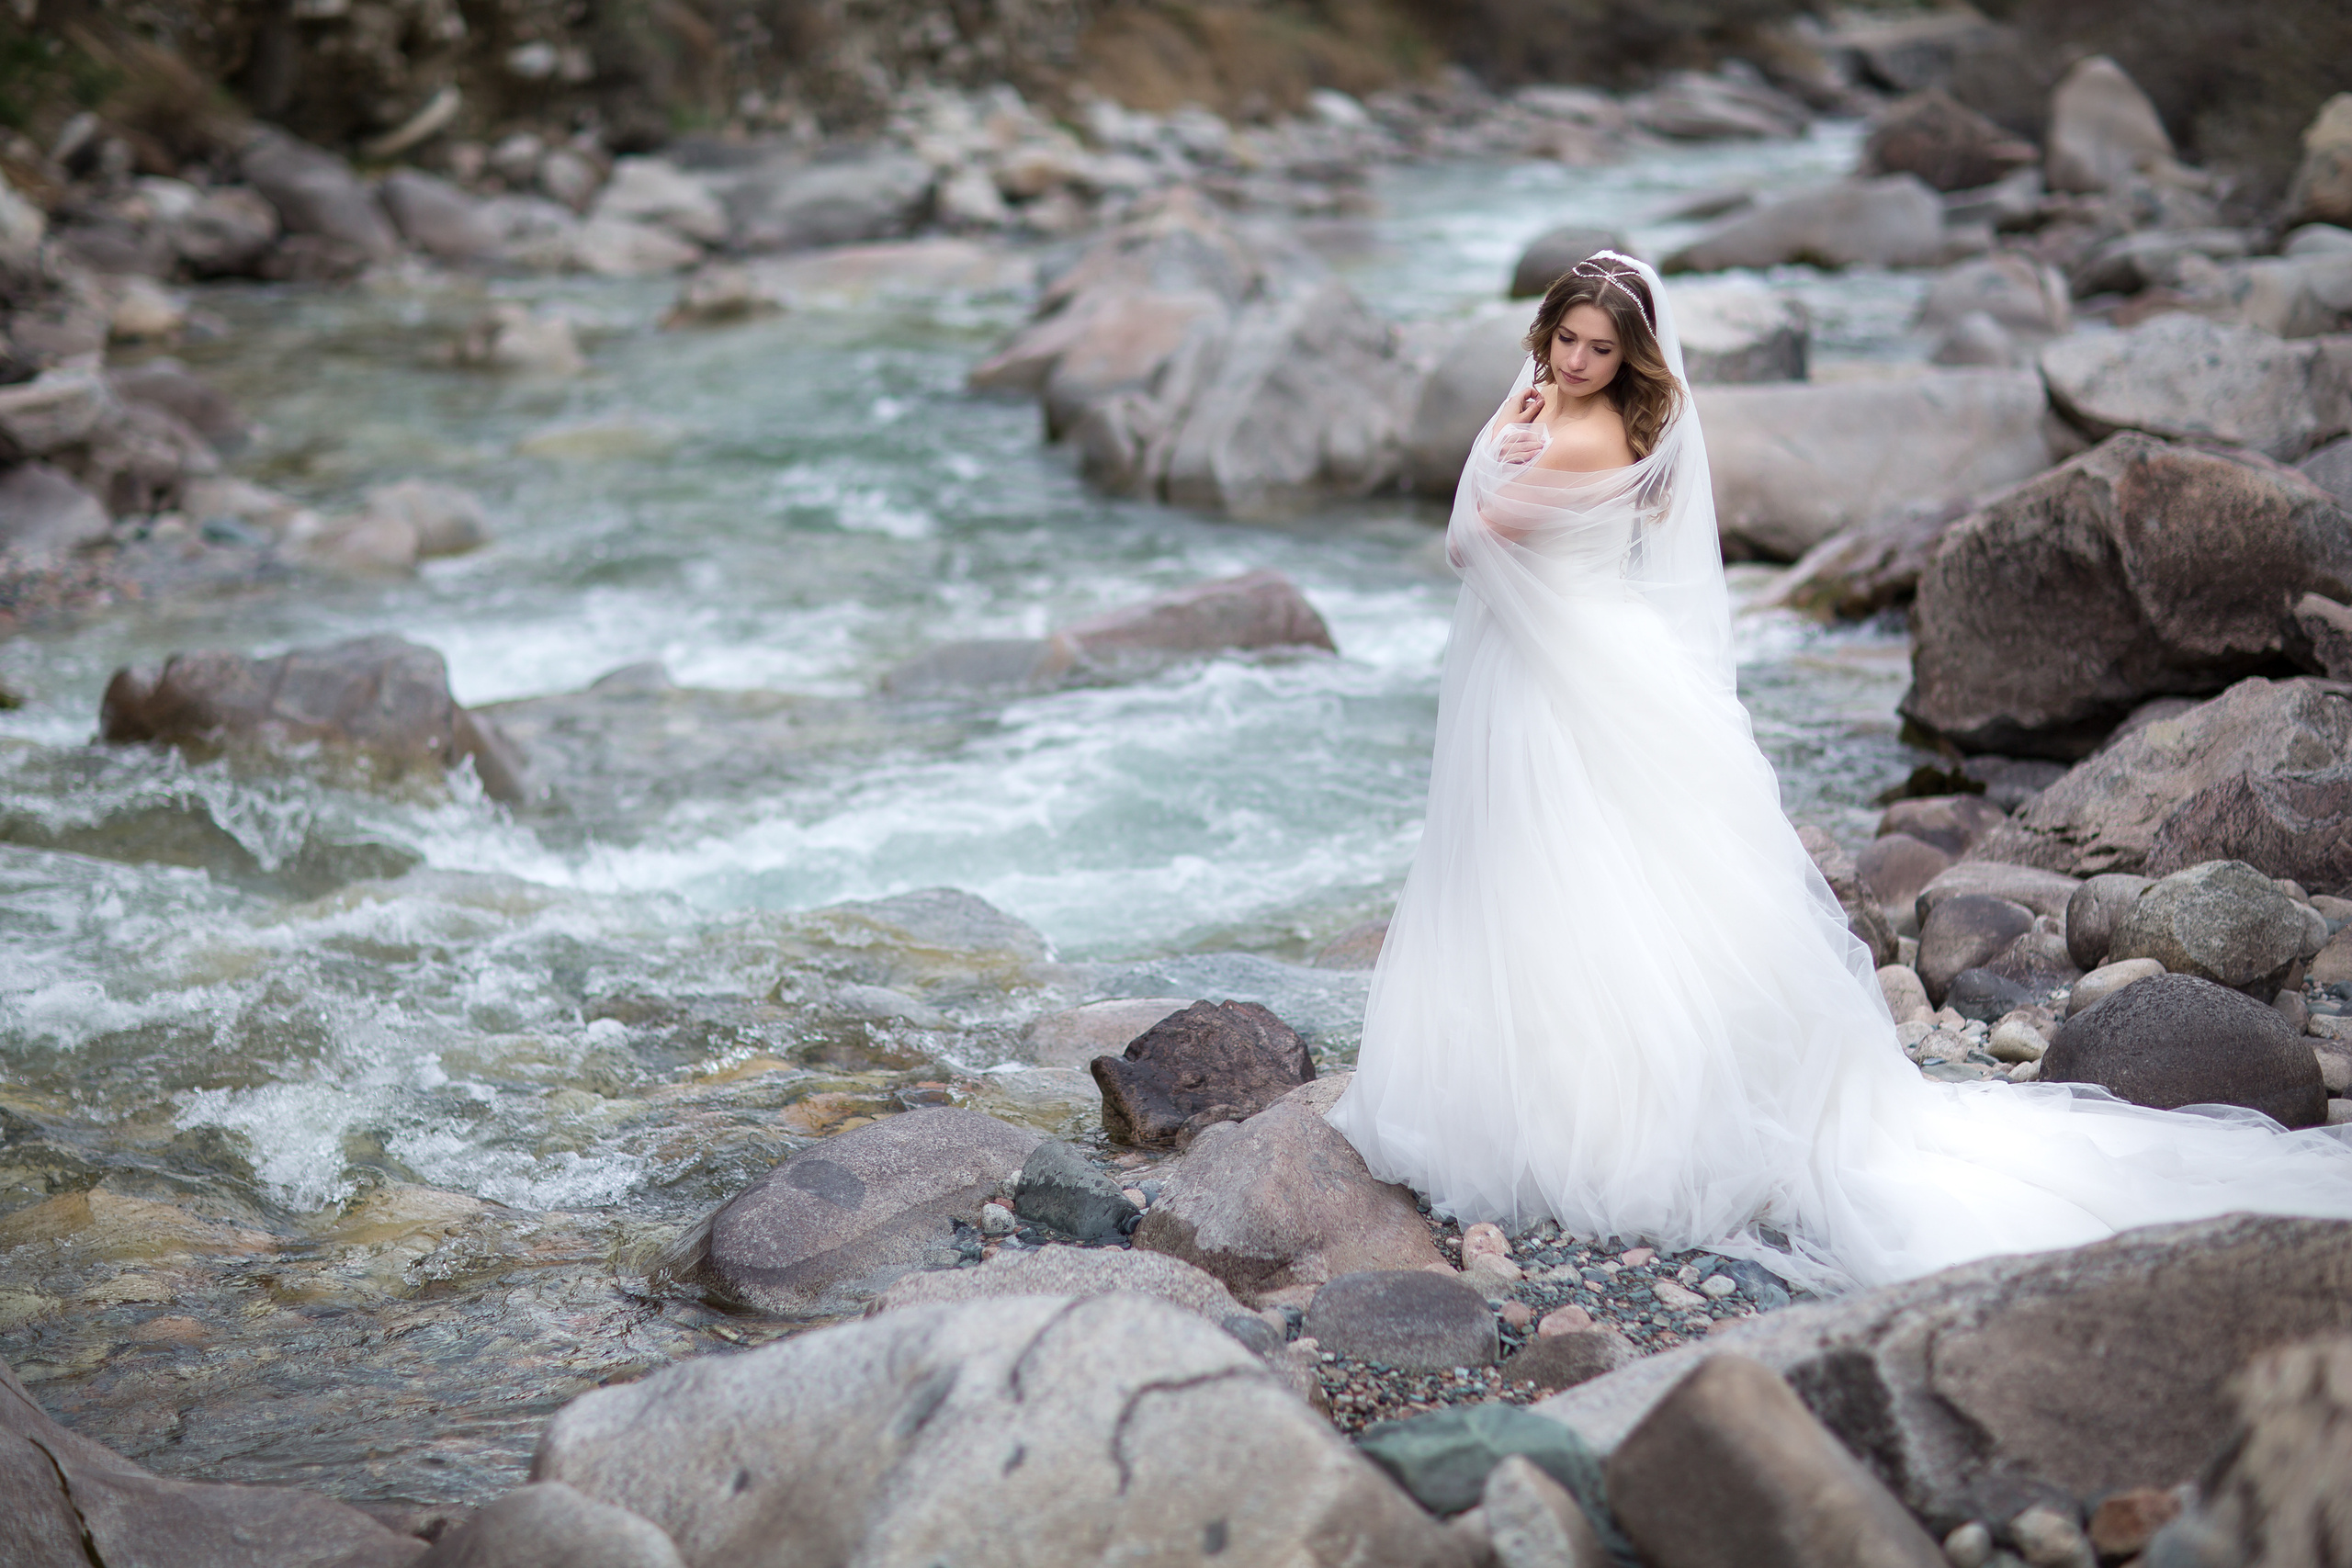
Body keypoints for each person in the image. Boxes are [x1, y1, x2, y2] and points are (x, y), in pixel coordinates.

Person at [1325, 251, 2352, 1292]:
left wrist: (1504, 433)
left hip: (1556, 676)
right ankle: (1557, 1084)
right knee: (1580, 871)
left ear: (1629, 353)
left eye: (1600, 347)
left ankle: (1585, 1111)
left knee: (1558, 868)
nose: (1579, 360)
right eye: (1566, 341)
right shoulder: (1643, 426)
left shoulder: (1575, 432)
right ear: (1543, 333)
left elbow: (1472, 540)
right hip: (1592, 654)